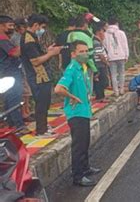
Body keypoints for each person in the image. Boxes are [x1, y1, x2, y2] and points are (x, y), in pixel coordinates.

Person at [54, 41, 101, 187]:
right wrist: (72, 96)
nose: (85, 54)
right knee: (79, 145)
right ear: (73, 54)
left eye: (86, 51)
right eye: (81, 51)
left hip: (84, 111)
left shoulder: (82, 68)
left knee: (85, 142)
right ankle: (78, 176)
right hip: (76, 113)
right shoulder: (72, 69)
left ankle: (85, 168)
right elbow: (58, 89)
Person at [21, 14, 61, 137]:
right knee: (41, 104)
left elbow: (39, 55)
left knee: (45, 102)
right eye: (41, 27)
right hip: (38, 76)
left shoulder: (32, 38)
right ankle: (41, 130)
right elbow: (36, 61)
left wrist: (48, 51)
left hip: (42, 76)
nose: (42, 30)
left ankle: (43, 126)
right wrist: (51, 54)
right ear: (35, 25)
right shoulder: (28, 40)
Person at [0, 15, 26, 131]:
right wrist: (24, 43)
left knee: (9, 97)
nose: (12, 28)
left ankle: (10, 122)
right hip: (10, 71)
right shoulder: (2, 39)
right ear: (1, 26)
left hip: (7, 71)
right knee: (14, 97)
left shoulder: (5, 38)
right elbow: (14, 53)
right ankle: (18, 124)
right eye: (9, 25)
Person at [67, 15, 98, 89]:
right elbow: (89, 56)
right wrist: (95, 69)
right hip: (85, 66)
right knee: (87, 85)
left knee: (76, 86)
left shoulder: (70, 35)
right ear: (84, 24)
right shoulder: (86, 37)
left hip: (73, 65)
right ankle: (86, 99)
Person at [12, 18, 33, 121]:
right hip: (20, 67)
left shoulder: (23, 36)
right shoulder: (16, 38)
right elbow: (17, 52)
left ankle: (27, 111)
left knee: (27, 92)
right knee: (24, 92)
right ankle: (24, 114)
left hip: (26, 67)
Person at [103, 17, 129, 96]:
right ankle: (121, 89)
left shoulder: (105, 34)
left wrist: (106, 56)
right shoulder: (121, 33)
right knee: (122, 73)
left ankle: (116, 91)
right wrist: (126, 55)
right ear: (117, 23)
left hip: (111, 57)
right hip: (121, 55)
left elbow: (104, 46)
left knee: (113, 74)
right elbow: (125, 45)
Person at [92, 21, 109, 103]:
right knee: (101, 81)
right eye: (103, 32)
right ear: (98, 32)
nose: (104, 34)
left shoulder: (98, 42)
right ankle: (100, 97)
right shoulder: (96, 43)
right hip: (99, 65)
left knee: (101, 81)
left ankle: (101, 96)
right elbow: (100, 56)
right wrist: (106, 62)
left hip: (100, 64)